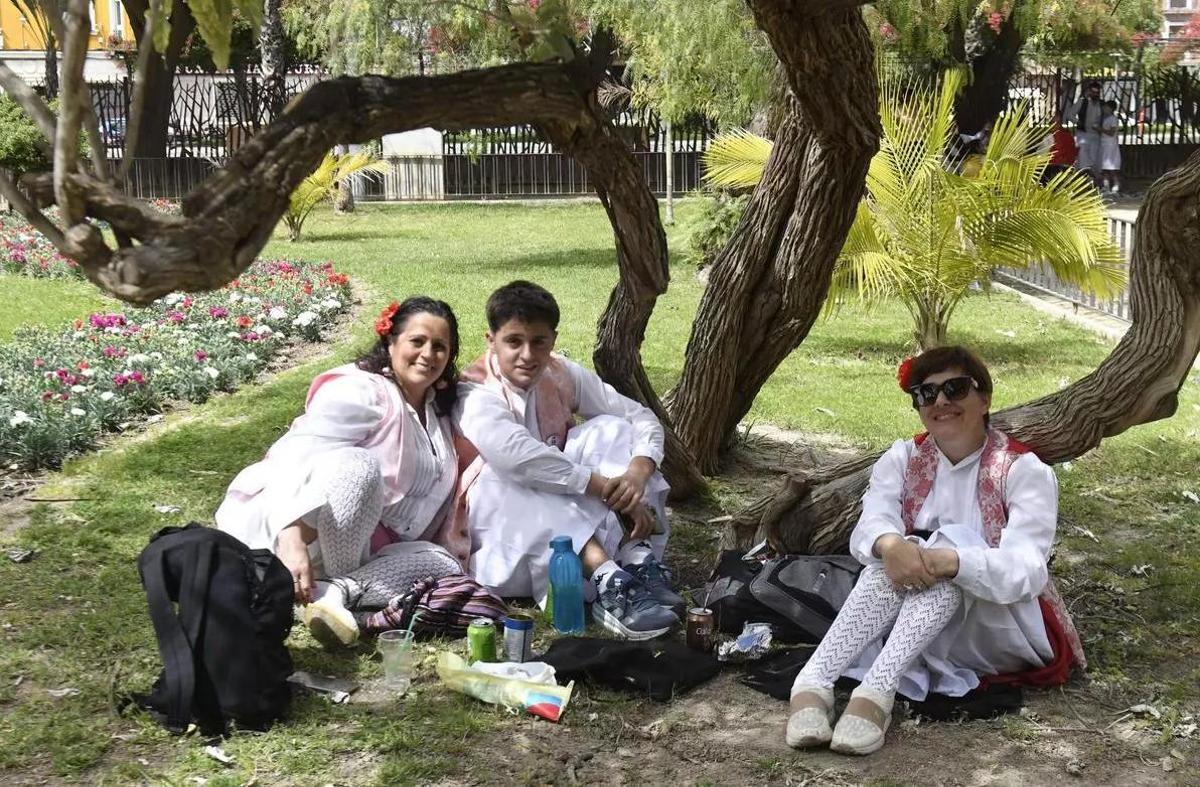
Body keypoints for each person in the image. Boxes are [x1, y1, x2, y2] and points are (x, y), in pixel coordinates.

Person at [785, 346, 1085, 756]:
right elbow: (872, 523)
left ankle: (877, 689)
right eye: (926, 394)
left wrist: (955, 562)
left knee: (951, 544)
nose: (940, 401)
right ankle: (815, 680)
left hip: (996, 623)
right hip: (911, 617)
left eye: (955, 389)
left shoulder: (1022, 470)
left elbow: (1026, 569)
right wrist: (891, 545)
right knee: (892, 556)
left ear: (985, 399)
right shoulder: (902, 458)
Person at [216, 296, 468, 647]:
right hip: (311, 533)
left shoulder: (435, 408)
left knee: (446, 564)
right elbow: (293, 454)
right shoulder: (362, 390)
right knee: (360, 466)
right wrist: (291, 538)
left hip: (372, 549)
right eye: (417, 341)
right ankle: (325, 584)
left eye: (440, 346)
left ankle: (333, 594)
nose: (428, 354)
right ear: (391, 341)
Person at [454, 280, 682, 640]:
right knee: (509, 473)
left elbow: (638, 416)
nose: (527, 355)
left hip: (566, 501)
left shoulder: (559, 372)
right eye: (514, 341)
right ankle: (608, 582)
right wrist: (605, 488)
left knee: (611, 428)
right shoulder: (474, 389)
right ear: (491, 340)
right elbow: (519, 458)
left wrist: (637, 474)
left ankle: (636, 560)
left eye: (538, 342)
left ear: (553, 340)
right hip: (499, 522)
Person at [1063, 81, 1103, 183]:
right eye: (1093, 92)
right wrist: (1078, 122)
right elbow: (1070, 114)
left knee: (1094, 158)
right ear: (1089, 91)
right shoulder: (1082, 102)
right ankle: (1084, 180)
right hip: (1083, 134)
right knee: (1083, 157)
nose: (1095, 94)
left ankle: (1093, 180)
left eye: (1097, 92)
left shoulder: (1101, 104)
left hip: (1096, 135)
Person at [1098, 100, 1122, 195]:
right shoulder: (1105, 119)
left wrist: (1100, 129)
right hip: (1104, 146)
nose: (1104, 109)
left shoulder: (1113, 119)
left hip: (1111, 146)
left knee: (1112, 168)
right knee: (1104, 168)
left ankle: (1116, 185)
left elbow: (1111, 133)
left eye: (1106, 107)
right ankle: (1106, 186)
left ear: (1111, 108)